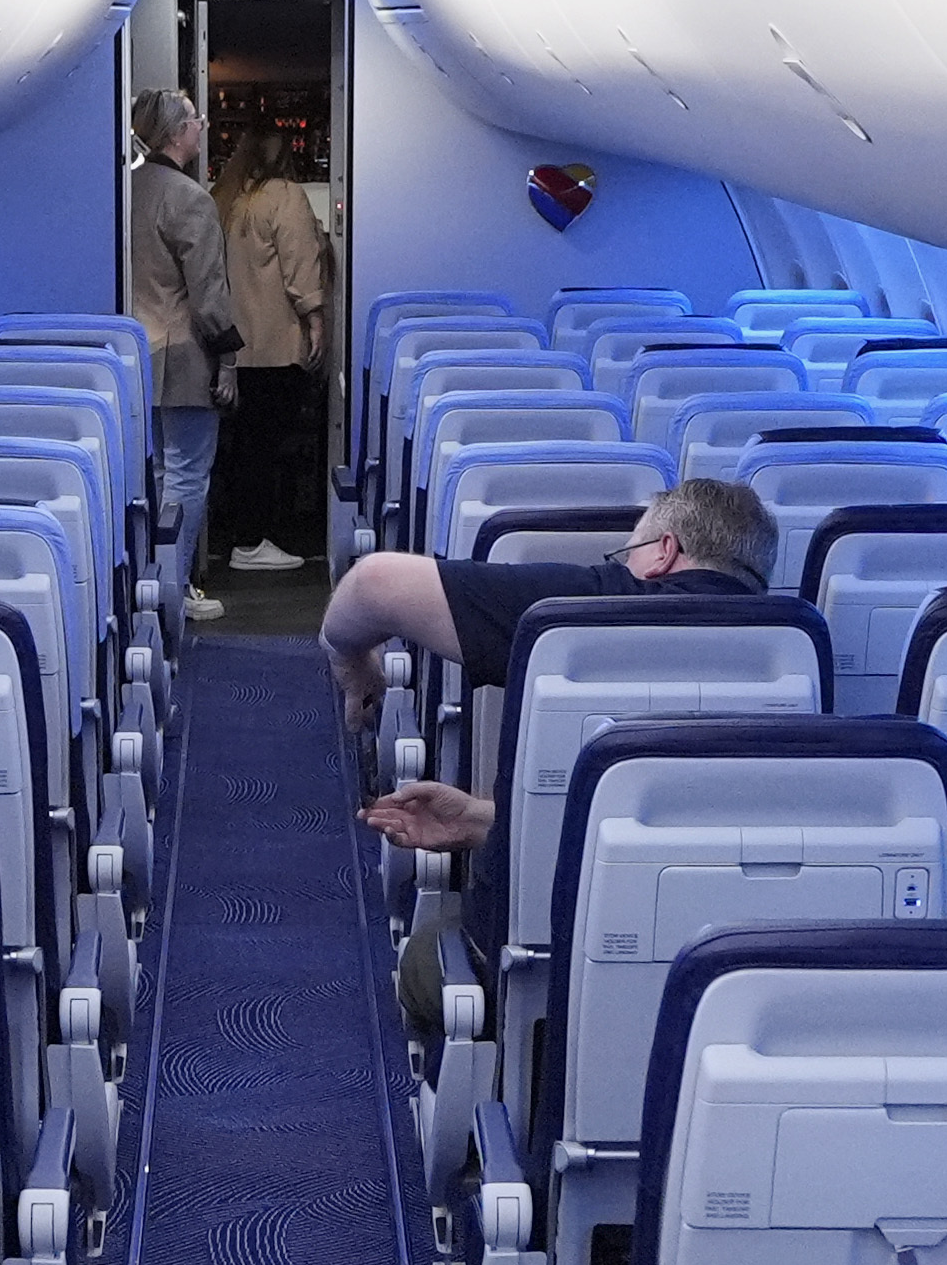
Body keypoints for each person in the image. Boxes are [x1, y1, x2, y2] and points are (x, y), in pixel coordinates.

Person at [326, 472, 781, 825]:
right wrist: (486, 819)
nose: (624, 565)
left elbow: (373, 585)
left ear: (664, 551)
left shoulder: (592, 607)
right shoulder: (792, 645)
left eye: (629, 553)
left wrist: (351, 664)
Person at [121, 88, 237, 626]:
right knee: (188, 474)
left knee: (158, 474)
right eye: (194, 119)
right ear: (174, 135)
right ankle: (175, 587)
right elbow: (208, 297)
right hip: (184, 352)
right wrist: (230, 359)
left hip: (135, 354)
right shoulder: (190, 199)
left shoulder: (126, 190)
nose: (202, 125)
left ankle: (150, 588)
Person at [214, 137, 332, 570]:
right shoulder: (285, 196)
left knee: (241, 444)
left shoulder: (227, 200)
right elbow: (300, 265)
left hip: (233, 347)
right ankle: (253, 540)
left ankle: (232, 534)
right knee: (266, 446)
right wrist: (316, 320)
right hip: (276, 344)